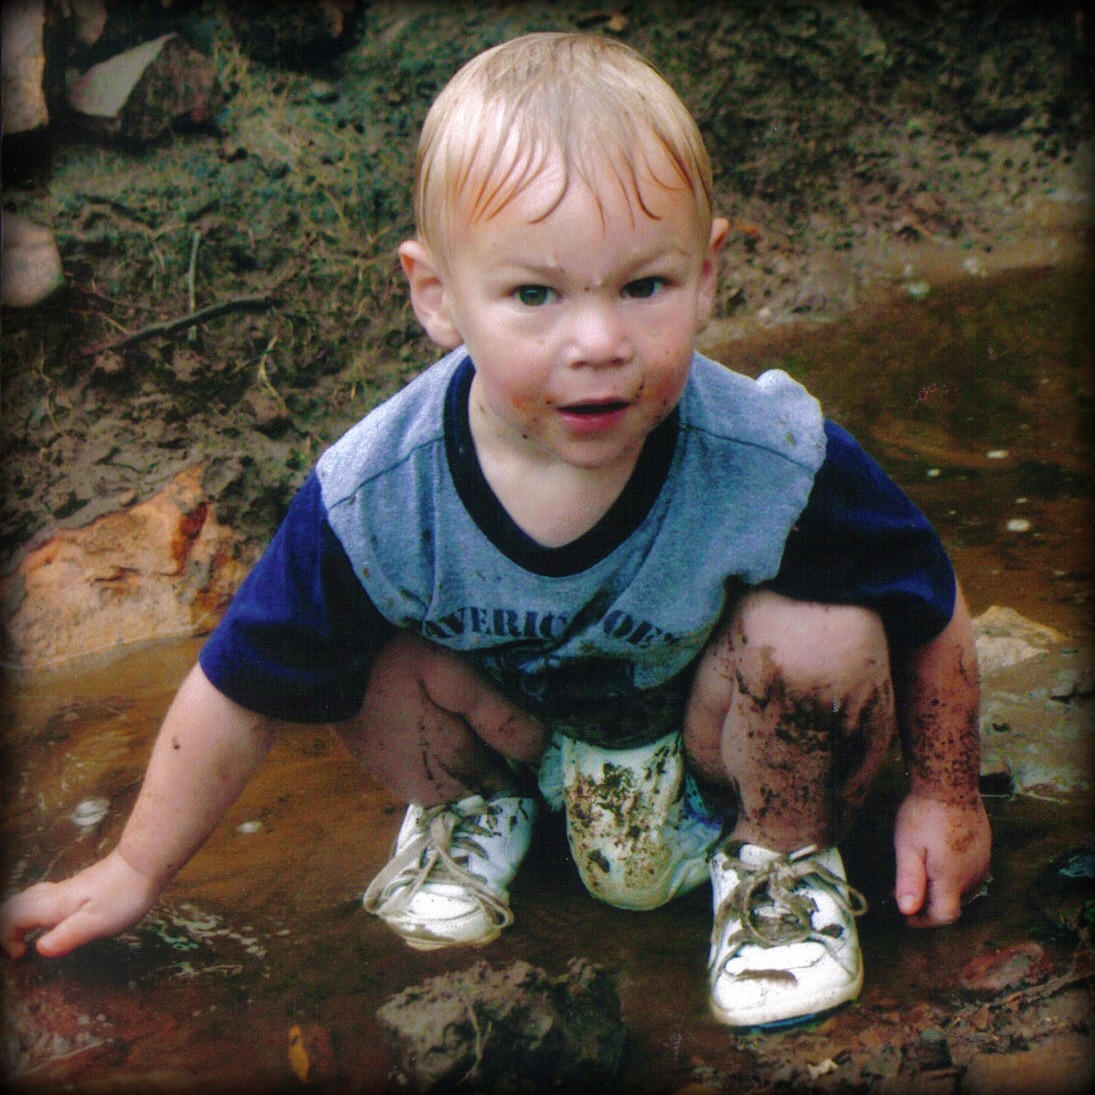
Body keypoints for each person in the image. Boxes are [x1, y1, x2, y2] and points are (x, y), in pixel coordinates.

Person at [0, 32, 991, 1029]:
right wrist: (134, 868)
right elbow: (244, 685)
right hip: (513, 743)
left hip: (713, 750)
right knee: (345, 636)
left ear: (706, 276)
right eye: (534, 295)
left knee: (828, 631)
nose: (598, 343)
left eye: (644, 286)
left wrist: (948, 796)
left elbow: (925, 598)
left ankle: (779, 869)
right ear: (437, 297)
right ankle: (469, 814)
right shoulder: (377, 493)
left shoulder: (772, 456)